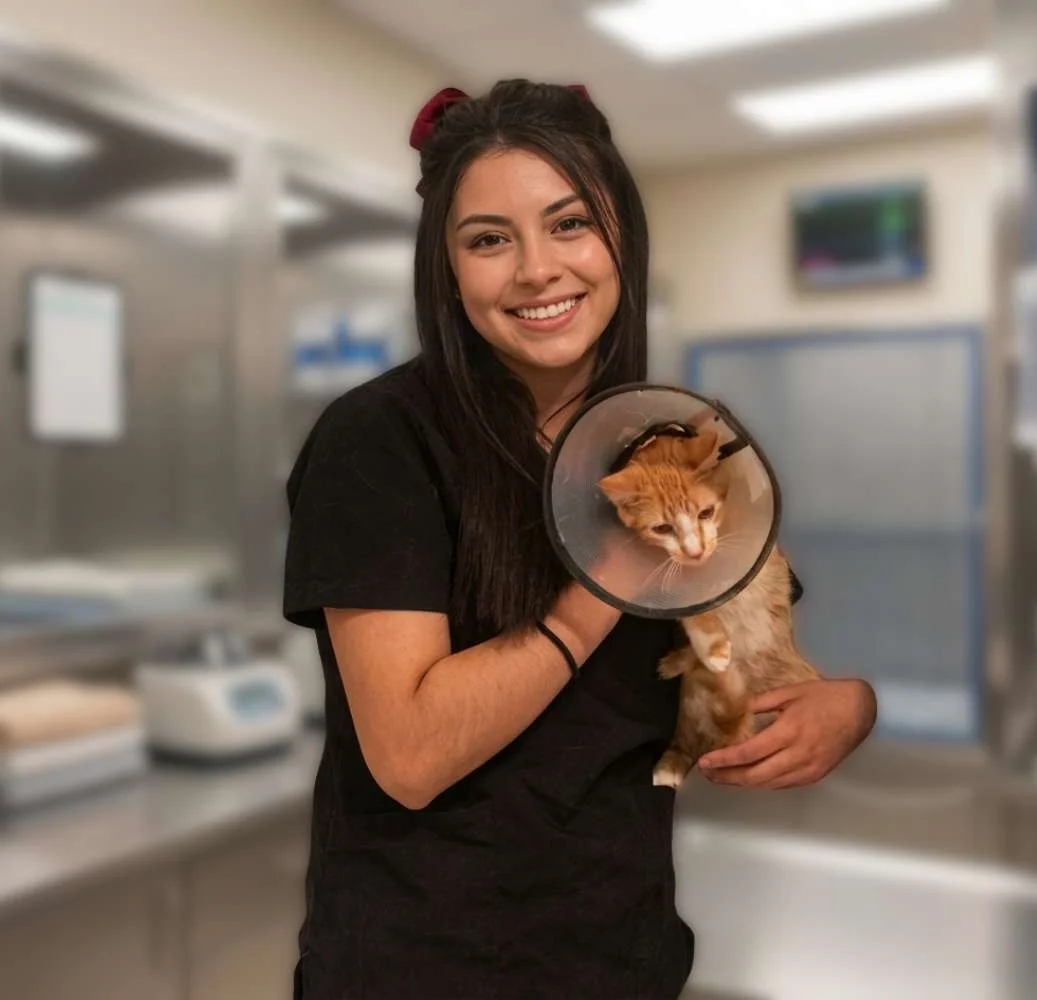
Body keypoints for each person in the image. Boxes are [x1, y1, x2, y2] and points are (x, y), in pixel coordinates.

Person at [282, 79, 877, 1000]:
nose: (536, 270)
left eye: (569, 224)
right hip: (423, 968)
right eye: (489, 240)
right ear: (447, 268)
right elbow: (409, 756)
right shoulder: (382, 442)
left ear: (620, 240)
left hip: (622, 957)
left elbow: (750, 666)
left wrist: (848, 709)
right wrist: (607, 578)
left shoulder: (673, 434)